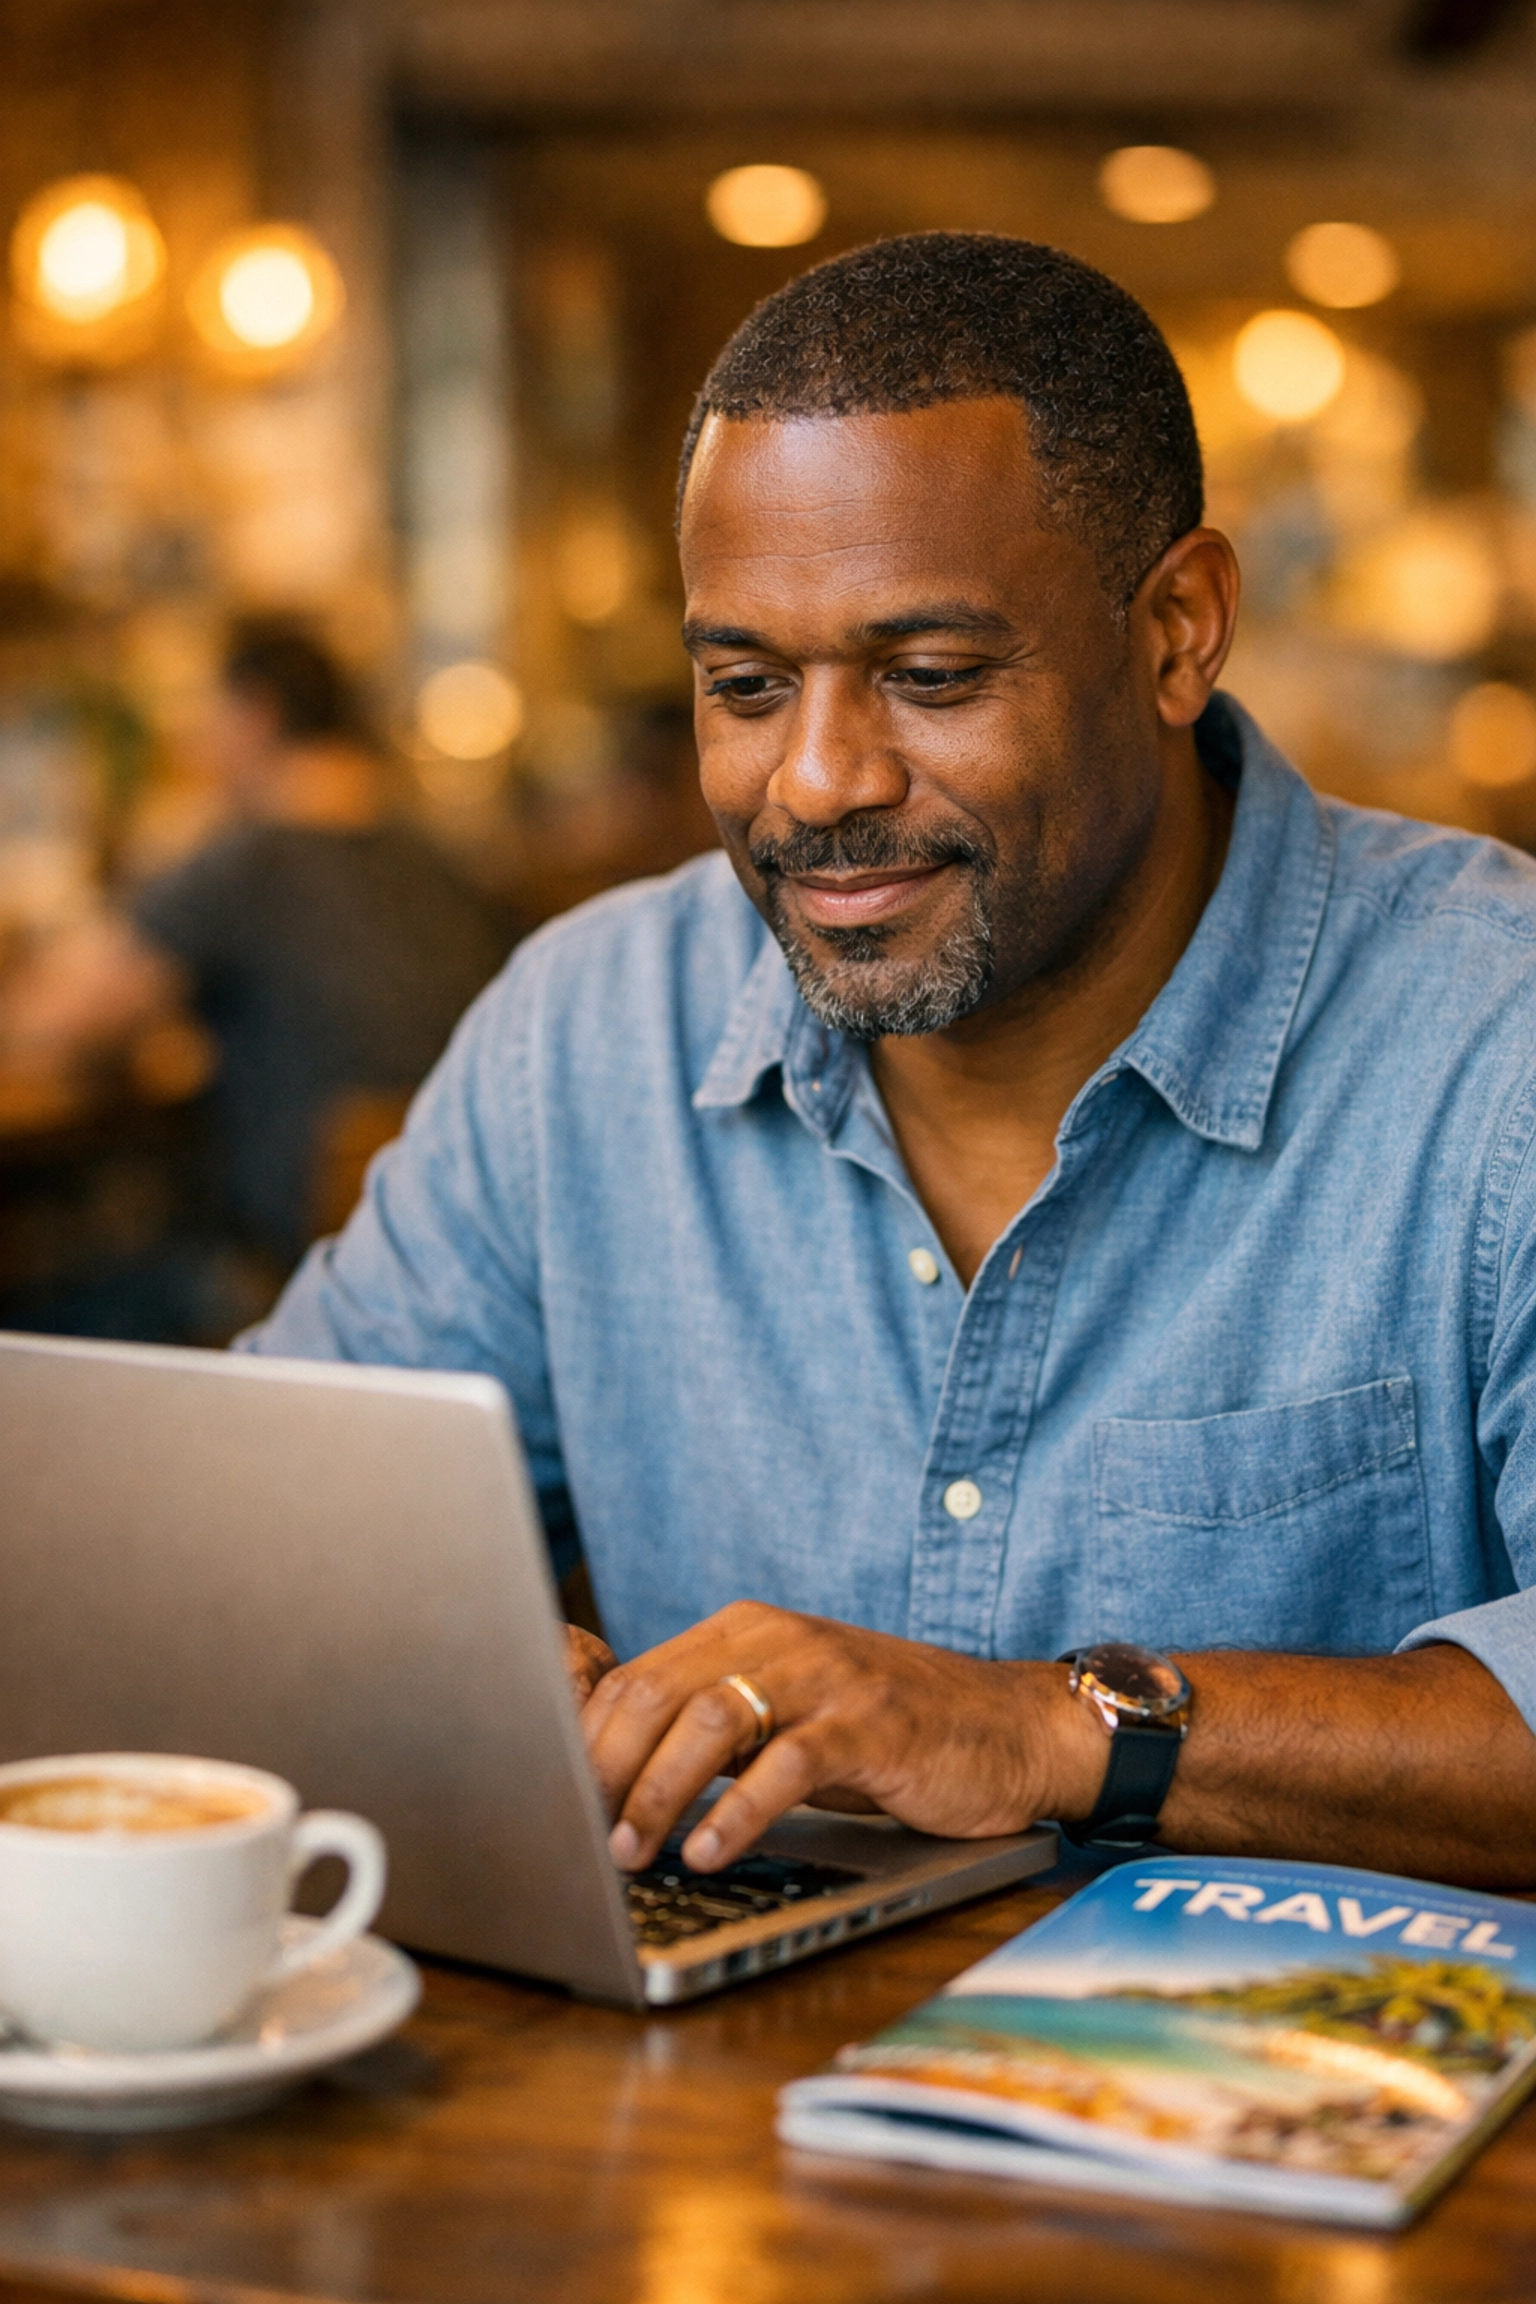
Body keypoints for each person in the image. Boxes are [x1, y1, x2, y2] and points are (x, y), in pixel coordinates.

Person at [244, 235, 1536, 1890]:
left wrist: (1051, 1727)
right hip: (690, 2120)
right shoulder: (586, 1032)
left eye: (928, 676)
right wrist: (467, 1682)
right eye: (743, 685)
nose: (818, 780)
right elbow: (272, 1531)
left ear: (1177, 629)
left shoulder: (1489, 1048)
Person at [2, 620, 518, 1274]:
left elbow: (51, 1027)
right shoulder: (444, 861)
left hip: (294, 1268)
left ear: (256, 715)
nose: (197, 741)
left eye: (207, 714)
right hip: (460, 1248)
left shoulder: (247, 862)